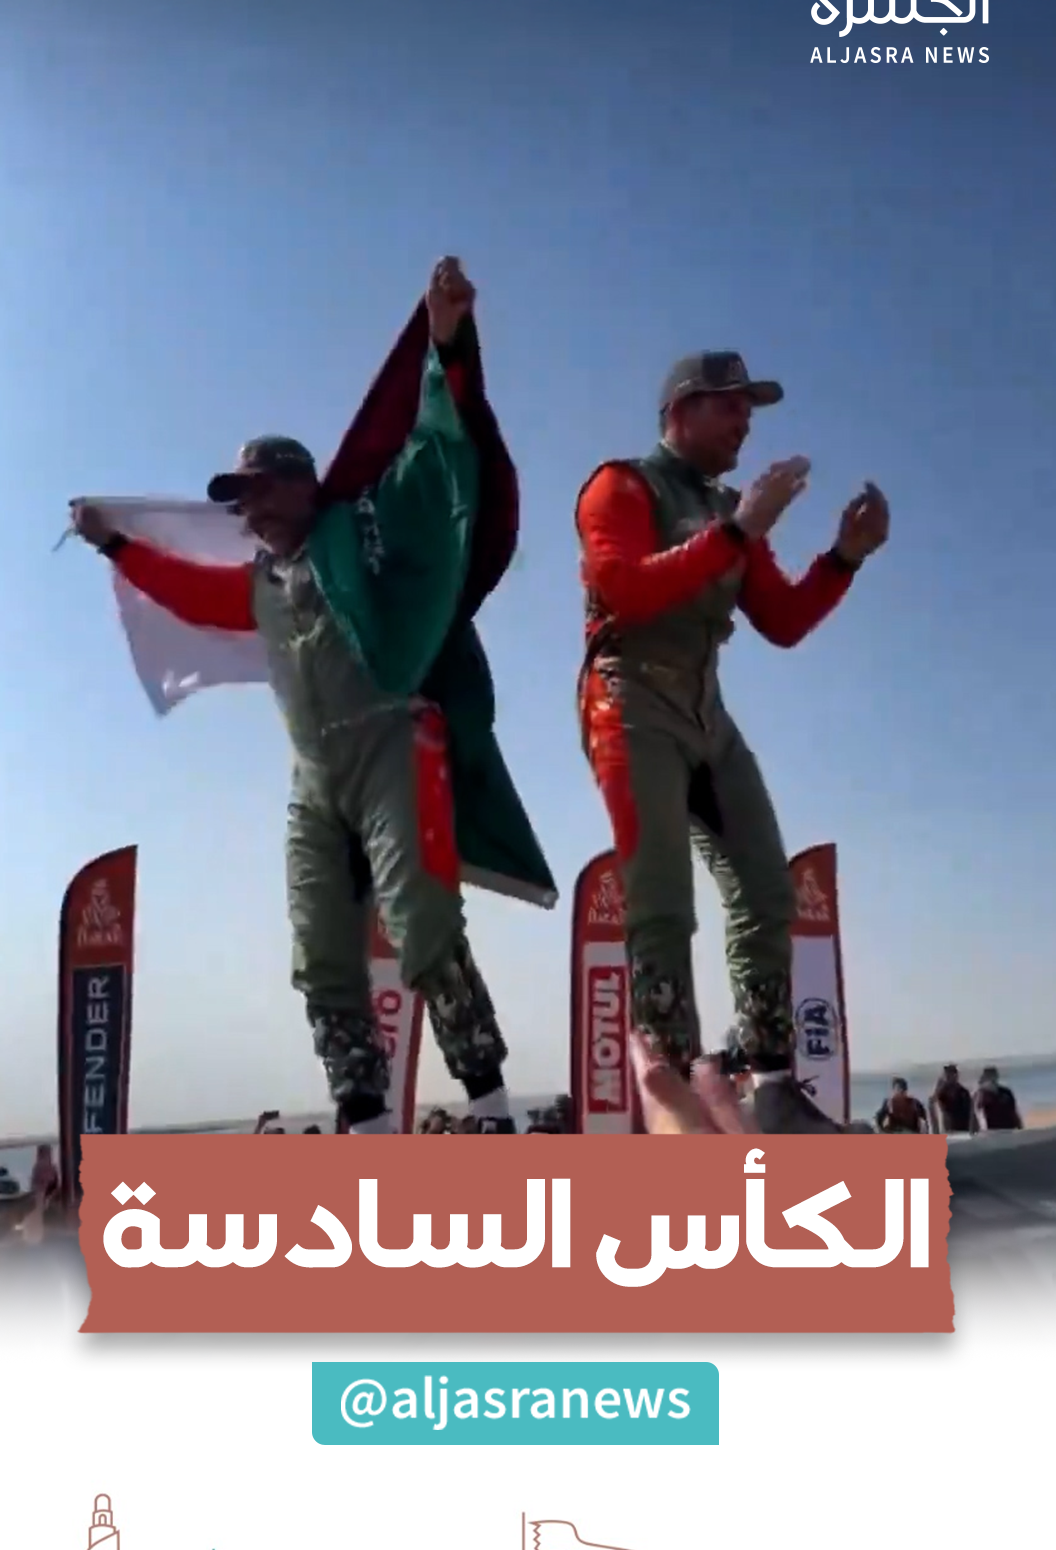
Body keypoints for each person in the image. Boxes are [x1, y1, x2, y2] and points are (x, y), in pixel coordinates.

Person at [71, 260, 554, 1138]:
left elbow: (437, 456)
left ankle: (490, 1110)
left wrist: (449, 347)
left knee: (423, 924)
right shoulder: (258, 586)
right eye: (237, 498)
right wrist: (114, 546)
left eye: (256, 490)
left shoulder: (361, 531)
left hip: (391, 747)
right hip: (315, 781)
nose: (246, 509)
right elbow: (189, 591)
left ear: (301, 485)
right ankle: (365, 1127)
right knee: (320, 949)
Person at [575, 350, 889, 1132]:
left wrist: (844, 557)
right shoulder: (621, 486)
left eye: (752, 409)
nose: (746, 422)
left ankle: (774, 1085)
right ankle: (675, 1097)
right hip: (628, 703)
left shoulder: (727, 508)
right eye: (731, 405)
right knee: (661, 900)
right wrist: (738, 529)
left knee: (765, 890)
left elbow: (780, 619)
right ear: (681, 410)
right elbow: (622, 588)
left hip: (706, 710)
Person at [929, 1065, 974, 1135]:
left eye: (951, 1074)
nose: (948, 1077)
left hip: (963, 1127)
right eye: (947, 1075)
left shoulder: (963, 1092)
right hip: (949, 1129)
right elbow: (932, 1103)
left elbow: (971, 1112)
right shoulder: (942, 1092)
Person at [975, 1067, 1023, 1132]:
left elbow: (1014, 1111)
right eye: (989, 1076)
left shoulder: (1006, 1092)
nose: (992, 1079)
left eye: (993, 1075)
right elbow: (977, 1112)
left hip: (1009, 1129)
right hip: (993, 1131)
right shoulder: (982, 1094)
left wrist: (1020, 1127)